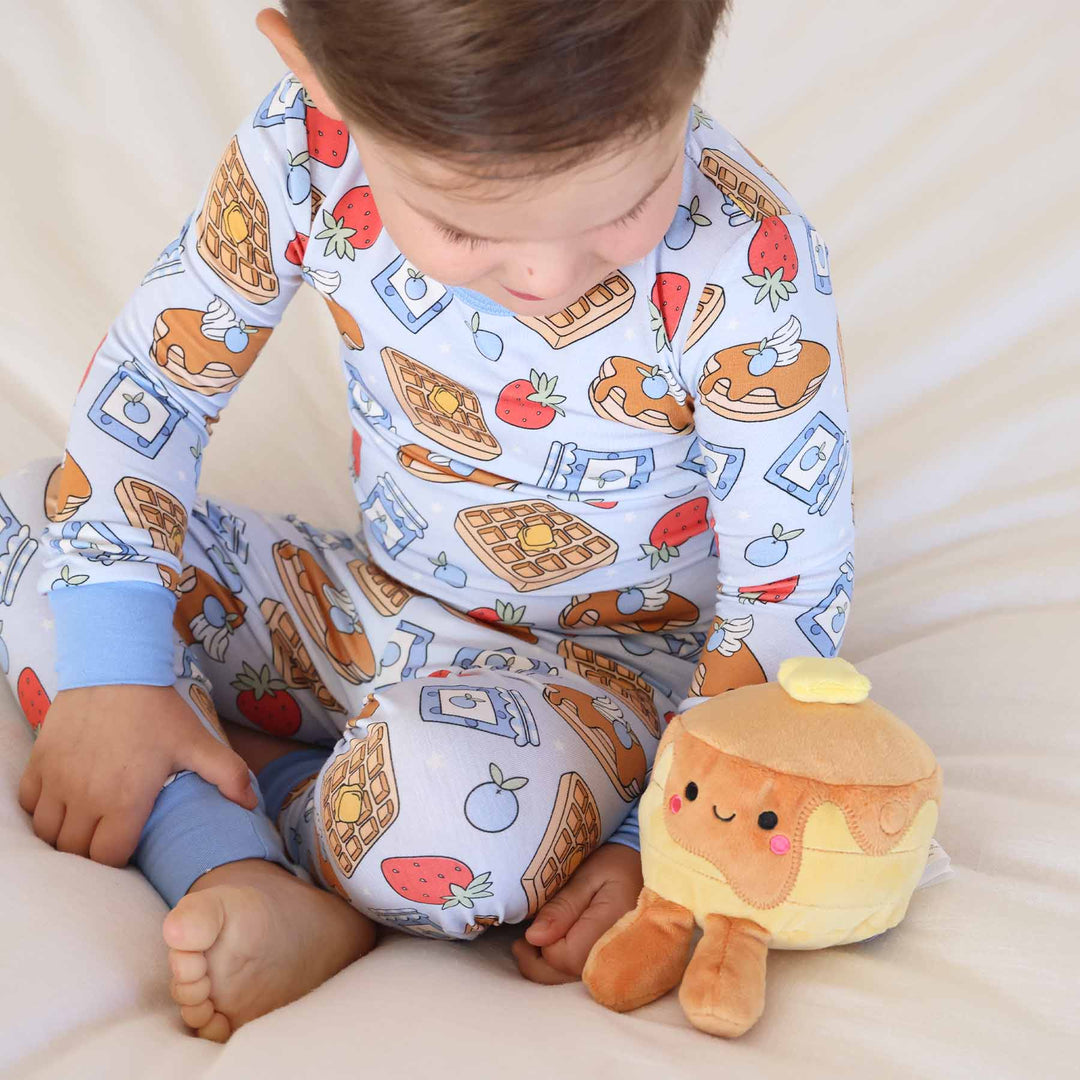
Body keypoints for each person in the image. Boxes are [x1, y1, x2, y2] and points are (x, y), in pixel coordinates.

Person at [0, 0, 856, 1043]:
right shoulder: (307, 151)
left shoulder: (747, 264)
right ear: (316, 77)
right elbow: (154, 389)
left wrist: (654, 839)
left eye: (626, 205)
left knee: (445, 826)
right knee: (43, 528)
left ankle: (256, 842)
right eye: (468, 228)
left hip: (609, 681)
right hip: (366, 604)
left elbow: (786, 591)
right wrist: (118, 675)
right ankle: (233, 847)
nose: (547, 277)